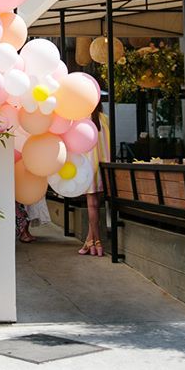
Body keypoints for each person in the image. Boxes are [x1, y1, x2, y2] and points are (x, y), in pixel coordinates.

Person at [78, 103, 110, 257]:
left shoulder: (83, 120)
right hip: (104, 166)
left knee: (92, 205)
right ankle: (89, 241)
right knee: (96, 205)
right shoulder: (105, 119)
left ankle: (97, 242)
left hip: (89, 166)